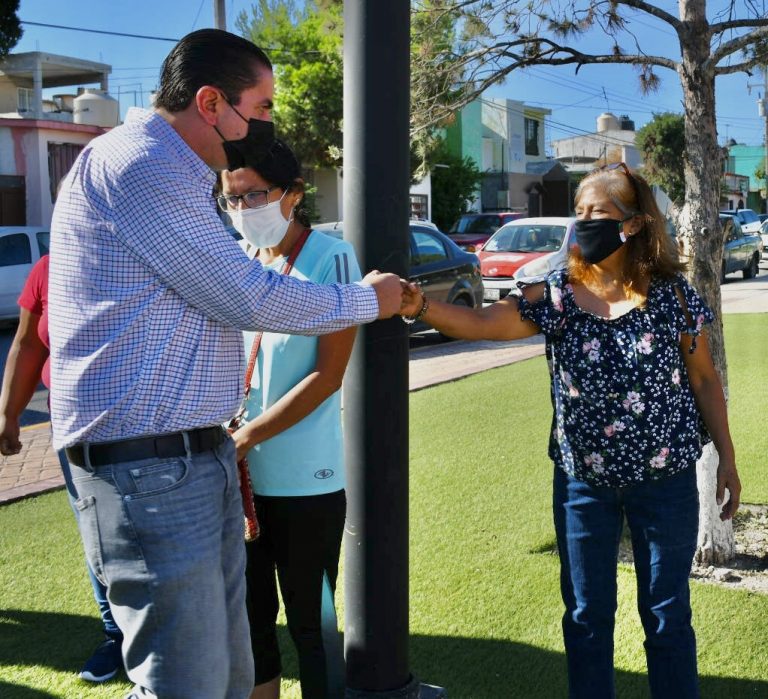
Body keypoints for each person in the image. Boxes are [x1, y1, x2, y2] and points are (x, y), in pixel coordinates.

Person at [48, 29, 402, 699]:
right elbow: (244, 296)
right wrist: (368, 300)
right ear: (210, 102)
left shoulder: (176, 175)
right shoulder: (141, 167)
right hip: (147, 466)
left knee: (229, 674)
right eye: (261, 107)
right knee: (187, 679)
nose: (268, 123)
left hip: (187, 458)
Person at [400, 163, 741, 699]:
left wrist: (727, 458)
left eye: (597, 214)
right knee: (585, 617)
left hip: (666, 483)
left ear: (631, 224)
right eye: (579, 213)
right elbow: (488, 323)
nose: (583, 224)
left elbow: (704, 380)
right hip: (584, 487)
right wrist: (419, 305)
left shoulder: (672, 297)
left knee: (668, 616)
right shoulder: (555, 295)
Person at [220, 140, 351, 699]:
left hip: (305, 482)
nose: (244, 209)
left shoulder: (331, 259)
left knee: (311, 626)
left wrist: (247, 436)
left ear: (293, 196)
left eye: (255, 195)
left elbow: (328, 375)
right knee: (251, 624)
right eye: (232, 199)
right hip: (241, 478)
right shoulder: (244, 261)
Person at [0, 254, 124, 683]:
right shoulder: (47, 268)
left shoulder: (139, 254)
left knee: (154, 536)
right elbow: (29, 342)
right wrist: (10, 412)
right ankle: (117, 638)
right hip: (74, 434)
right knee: (97, 534)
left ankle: (171, 638)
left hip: (146, 428)